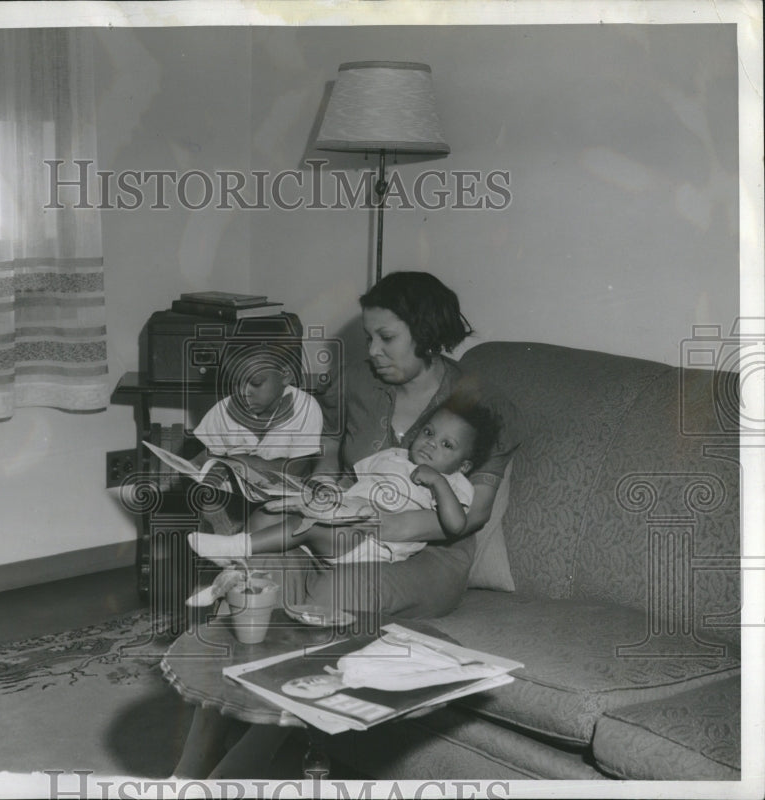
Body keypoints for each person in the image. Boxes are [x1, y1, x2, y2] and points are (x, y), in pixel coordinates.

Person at [172, 271, 522, 779]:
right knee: (258, 575)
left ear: (426, 333)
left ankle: (227, 775)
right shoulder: (356, 380)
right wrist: (310, 492)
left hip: (428, 553)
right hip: (340, 527)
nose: (374, 351)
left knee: (329, 596)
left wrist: (374, 522)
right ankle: (190, 764)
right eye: (369, 338)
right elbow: (330, 461)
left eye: (388, 338)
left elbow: (474, 514)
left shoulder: (482, 404)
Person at [187, 394, 499, 565]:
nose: (431, 443)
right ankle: (238, 561)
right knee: (270, 511)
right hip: (342, 515)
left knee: (312, 524)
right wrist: (331, 490)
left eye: (447, 445)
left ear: (464, 464)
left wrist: (438, 483)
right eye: (430, 433)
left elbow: (456, 524)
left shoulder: (455, 483)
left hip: (371, 542)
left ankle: (235, 547)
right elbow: (354, 483)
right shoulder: (393, 456)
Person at [189, 342, 323, 534]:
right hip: (233, 499)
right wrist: (190, 467)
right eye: (236, 383)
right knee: (210, 507)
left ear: (285, 375)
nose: (244, 392)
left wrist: (242, 462)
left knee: (272, 522)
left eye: (256, 383)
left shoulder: (305, 408)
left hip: (283, 500)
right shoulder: (223, 410)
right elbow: (206, 457)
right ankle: (228, 555)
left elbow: (296, 469)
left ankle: (238, 550)